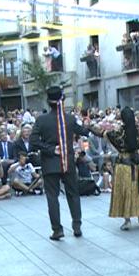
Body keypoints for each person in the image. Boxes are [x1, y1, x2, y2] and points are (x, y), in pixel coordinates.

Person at [30, 86, 91, 241]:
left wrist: (50, 149)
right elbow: (84, 131)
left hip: (50, 163)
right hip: (68, 163)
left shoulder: (41, 120)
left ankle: (57, 230)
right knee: (73, 194)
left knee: (52, 197)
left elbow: (33, 141)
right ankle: (77, 226)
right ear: (62, 100)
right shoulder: (69, 119)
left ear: (48, 101)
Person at [88, 107, 139, 229]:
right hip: (137, 165)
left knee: (125, 192)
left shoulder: (118, 132)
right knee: (138, 190)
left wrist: (89, 126)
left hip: (123, 165)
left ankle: (127, 220)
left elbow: (101, 133)